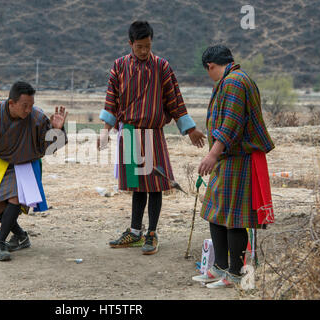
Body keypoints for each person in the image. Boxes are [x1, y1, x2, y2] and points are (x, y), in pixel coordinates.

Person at [98, 21, 205, 255]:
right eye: (139, 47)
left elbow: (174, 100)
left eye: (147, 46)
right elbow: (111, 101)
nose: (144, 51)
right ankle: (135, 232)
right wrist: (105, 130)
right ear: (130, 44)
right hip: (128, 132)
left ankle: (152, 233)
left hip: (153, 133)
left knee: (156, 184)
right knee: (137, 187)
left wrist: (190, 130)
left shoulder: (162, 67)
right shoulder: (119, 67)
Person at [192, 45, 275, 288]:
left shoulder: (234, 82)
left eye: (209, 71)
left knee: (234, 218)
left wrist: (212, 154)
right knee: (215, 212)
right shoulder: (232, 80)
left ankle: (235, 274)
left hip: (238, 157)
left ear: (211, 66)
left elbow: (232, 123)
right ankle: (219, 269)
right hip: (229, 158)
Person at [0, 81, 68, 261]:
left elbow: (52, 148)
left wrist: (58, 131)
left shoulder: (38, 118)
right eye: (24, 106)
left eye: (31, 105)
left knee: (15, 198)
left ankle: (0, 243)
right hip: (1, 162)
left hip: (27, 163)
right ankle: (20, 235)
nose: (28, 110)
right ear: (11, 103)